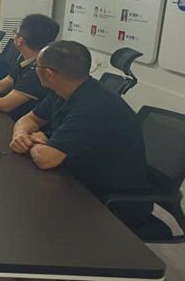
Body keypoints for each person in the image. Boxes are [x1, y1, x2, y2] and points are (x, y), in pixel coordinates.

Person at [9, 41, 151, 226]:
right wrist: (21, 134)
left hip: (106, 202)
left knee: (20, 213)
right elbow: (30, 119)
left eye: (36, 66)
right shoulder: (63, 89)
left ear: (49, 74)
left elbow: (45, 159)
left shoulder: (93, 107)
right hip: (77, 178)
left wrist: (36, 140)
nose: (35, 69)